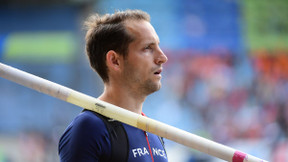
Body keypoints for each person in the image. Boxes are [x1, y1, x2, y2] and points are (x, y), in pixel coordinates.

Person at [58, 9, 168, 162]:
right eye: (147, 48)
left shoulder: (154, 132)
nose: (162, 57)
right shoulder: (89, 128)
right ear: (115, 61)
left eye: (158, 46)